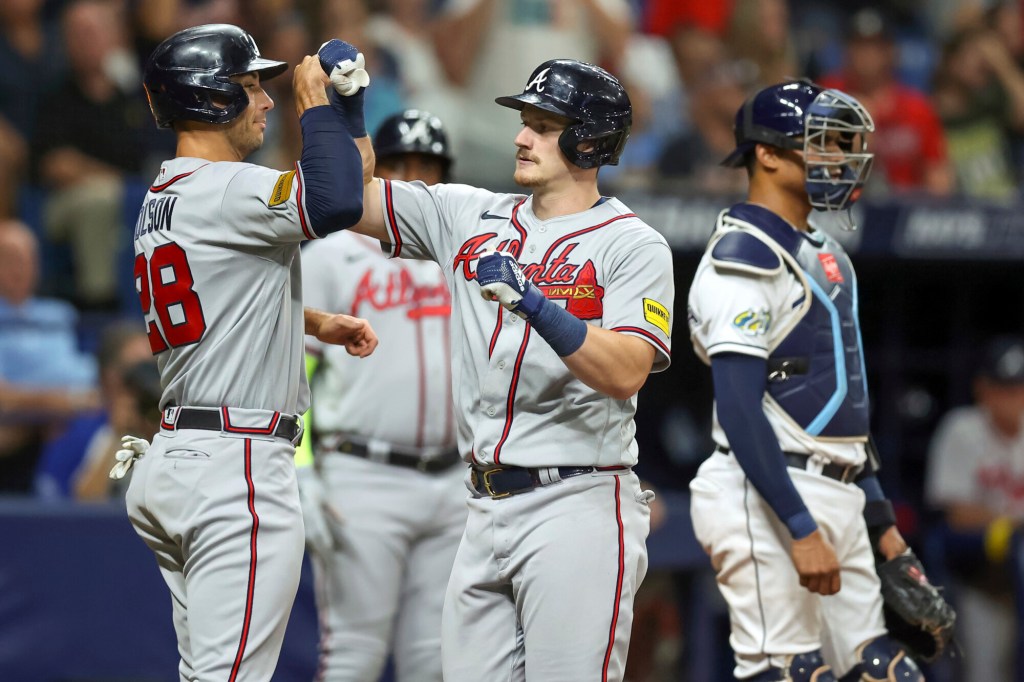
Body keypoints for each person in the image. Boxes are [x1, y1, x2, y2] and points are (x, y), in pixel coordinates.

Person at [344, 58, 674, 681]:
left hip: (576, 501)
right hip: (480, 504)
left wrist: (536, 305)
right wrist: (348, 112)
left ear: (590, 138)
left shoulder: (632, 244)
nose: (521, 137)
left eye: (544, 125)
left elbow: (629, 369)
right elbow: (346, 199)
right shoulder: (467, 214)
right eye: (526, 123)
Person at [121, 25, 379, 681]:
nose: (265, 100)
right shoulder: (228, 189)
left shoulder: (164, 196)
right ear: (213, 98)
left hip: (179, 455)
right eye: (251, 85)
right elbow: (338, 200)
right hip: (233, 468)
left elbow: (342, 188)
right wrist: (314, 101)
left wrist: (310, 321)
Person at [686, 80, 925, 680]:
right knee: (790, 671)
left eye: (842, 145)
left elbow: (844, 401)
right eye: (821, 144)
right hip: (766, 489)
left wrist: (880, 523)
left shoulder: (826, 254)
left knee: (883, 671)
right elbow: (739, 411)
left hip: (837, 488)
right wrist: (798, 525)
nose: (839, 159)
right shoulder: (741, 257)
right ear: (766, 154)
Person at [296, 108, 460, 682]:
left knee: (435, 660)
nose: (413, 177)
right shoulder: (329, 255)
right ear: (371, 168)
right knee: (353, 656)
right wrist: (303, 471)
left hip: (454, 478)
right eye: (398, 164)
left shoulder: (461, 255)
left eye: (427, 166)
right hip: (362, 476)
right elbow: (295, 374)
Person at [925, 335, 1024, 681]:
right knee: (987, 673)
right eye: (1004, 388)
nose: (1013, 398)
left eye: (1019, 388)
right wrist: (1013, 522)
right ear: (983, 388)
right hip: (982, 576)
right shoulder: (962, 429)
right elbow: (956, 513)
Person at [0, 220, 99, 493]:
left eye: (29, 259)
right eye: (10, 259)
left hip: (67, 423)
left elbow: (86, 378)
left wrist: (65, 403)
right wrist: (64, 401)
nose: (21, 267)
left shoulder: (59, 314)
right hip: (18, 429)